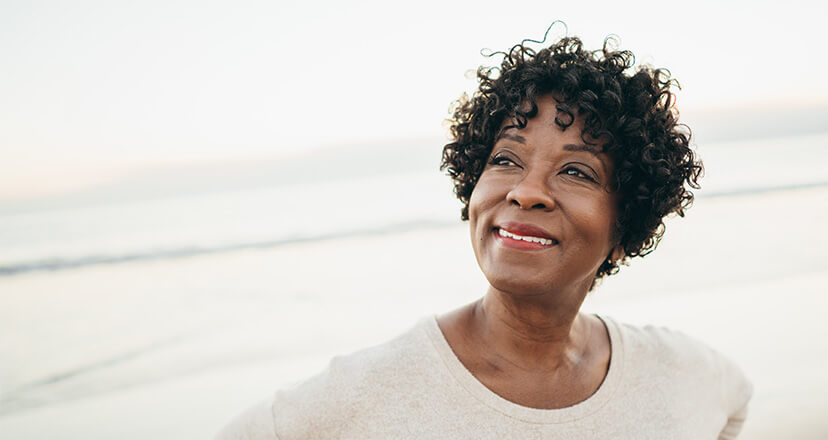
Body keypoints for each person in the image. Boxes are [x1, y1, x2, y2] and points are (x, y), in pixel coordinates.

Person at [217, 30, 753, 439]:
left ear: (625, 226)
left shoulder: (676, 371)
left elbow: (736, 402)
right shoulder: (372, 391)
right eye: (505, 159)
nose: (526, 192)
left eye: (576, 171)